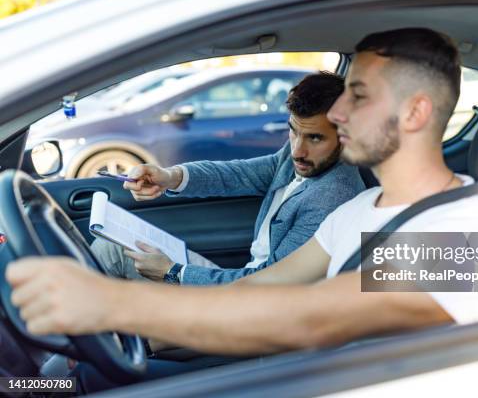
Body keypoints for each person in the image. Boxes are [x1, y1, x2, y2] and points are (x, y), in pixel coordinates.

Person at [7, 28, 478, 383]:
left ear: (415, 112)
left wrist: (109, 302)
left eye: (358, 96)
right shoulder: (362, 207)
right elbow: (265, 285)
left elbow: (312, 319)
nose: (338, 113)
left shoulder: (474, 232)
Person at [91, 71, 365, 285]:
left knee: (112, 258)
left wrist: (175, 273)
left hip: (251, 303)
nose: (297, 150)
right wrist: (169, 176)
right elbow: (237, 173)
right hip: (242, 282)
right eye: (293, 131)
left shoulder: (333, 197)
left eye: (315, 138)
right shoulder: (298, 155)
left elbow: (271, 285)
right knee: (109, 247)